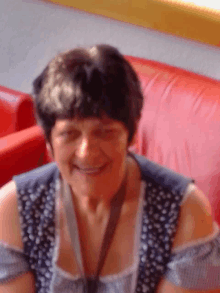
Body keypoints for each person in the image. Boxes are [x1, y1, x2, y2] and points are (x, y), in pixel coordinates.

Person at [0, 44, 220, 293]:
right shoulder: (14, 209)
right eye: (69, 134)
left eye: (104, 132)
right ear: (49, 142)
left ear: (132, 134)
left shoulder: (184, 212)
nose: (87, 152)